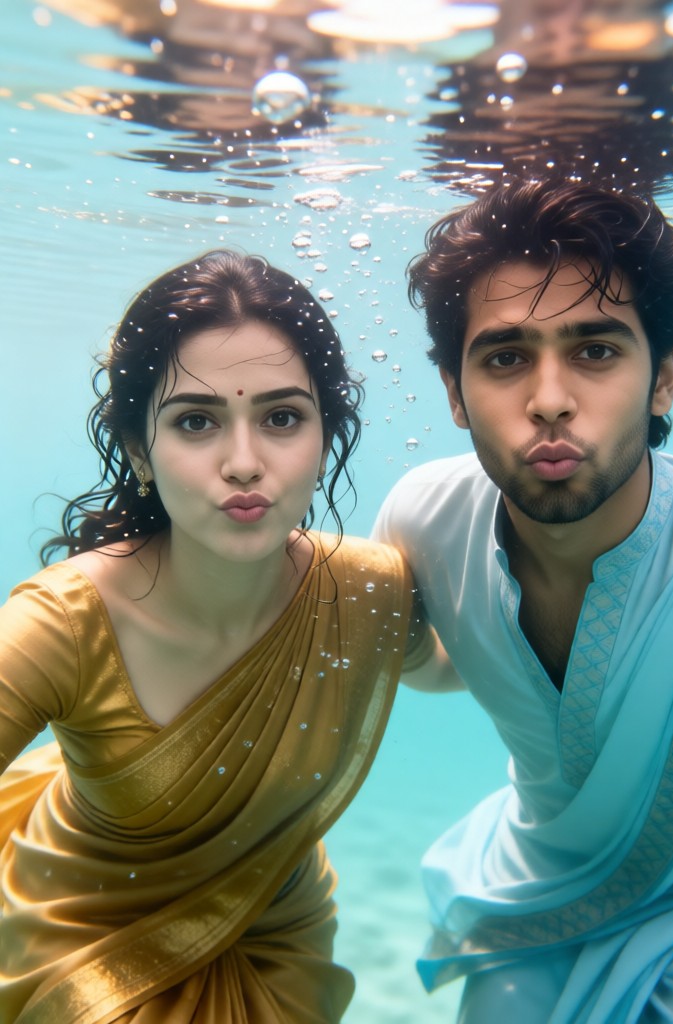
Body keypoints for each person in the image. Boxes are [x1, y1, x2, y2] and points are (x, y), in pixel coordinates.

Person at [0, 250, 446, 1024]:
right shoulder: (62, 622)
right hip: (81, 955)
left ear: (325, 434)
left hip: (283, 952)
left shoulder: (369, 592)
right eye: (197, 421)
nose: (244, 464)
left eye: (281, 417)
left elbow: (467, 669)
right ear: (139, 448)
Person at [373, 180, 673, 1022]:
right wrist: (387, 633)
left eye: (594, 351)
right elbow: (459, 661)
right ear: (453, 391)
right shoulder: (422, 518)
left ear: (662, 378)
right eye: (506, 356)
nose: (549, 398)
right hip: (532, 892)